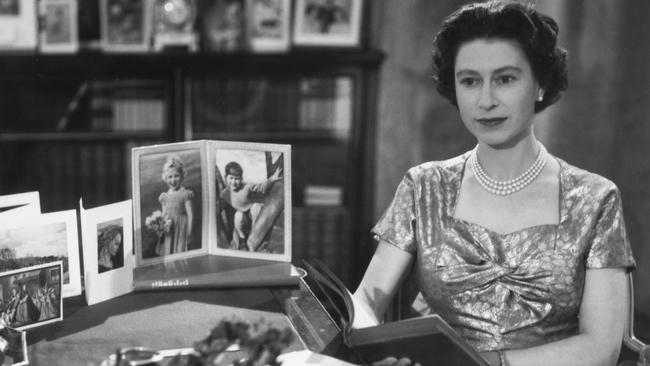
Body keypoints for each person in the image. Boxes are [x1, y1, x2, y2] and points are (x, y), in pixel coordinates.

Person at [278, 1, 636, 366]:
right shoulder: (424, 187)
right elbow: (368, 300)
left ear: (541, 84)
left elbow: (601, 347)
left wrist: (484, 363)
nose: (485, 101)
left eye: (505, 79)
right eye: (470, 81)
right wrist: (374, 349)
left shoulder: (594, 198)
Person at [219, 161, 282, 251]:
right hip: (241, 218)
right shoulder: (224, 193)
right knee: (238, 215)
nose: (234, 182)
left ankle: (254, 230)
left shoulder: (247, 187)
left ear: (241, 178)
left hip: (252, 214)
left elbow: (261, 187)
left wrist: (272, 179)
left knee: (256, 207)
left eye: (237, 179)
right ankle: (242, 238)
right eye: (231, 178)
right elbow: (221, 206)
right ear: (226, 178)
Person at [157, 154, 194, 255]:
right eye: (170, 177)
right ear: (165, 178)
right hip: (169, 230)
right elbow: (163, 215)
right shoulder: (164, 196)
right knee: (168, 252)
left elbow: (190, 215)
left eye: (176, 176)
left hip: (181, 228)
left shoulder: (185, 194)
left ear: (182, 176)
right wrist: (161, 229)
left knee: (180, 252)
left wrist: (189, 233)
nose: (173, 180)